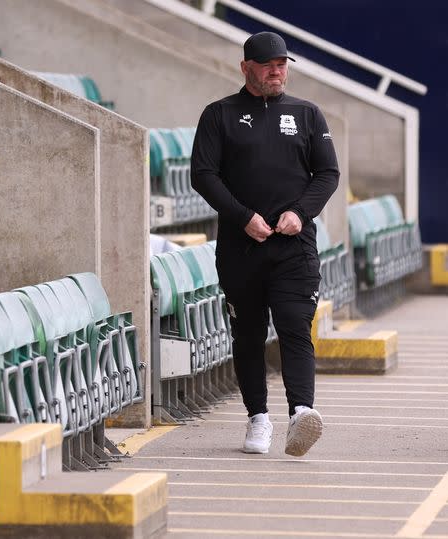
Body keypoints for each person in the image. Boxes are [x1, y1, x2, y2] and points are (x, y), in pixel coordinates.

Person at [190, 31, 339, 456]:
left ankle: (301, 414)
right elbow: (203, 174)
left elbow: (327, 173)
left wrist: (301, 212)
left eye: (282, 64)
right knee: (249, 334)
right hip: (241, 247)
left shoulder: (307, 114)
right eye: (268, 64)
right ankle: (258, 418)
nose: (277, 71)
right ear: (246, 68)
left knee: (295, 327)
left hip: (294, 246)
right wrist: (243, 218)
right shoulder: (219, 114)